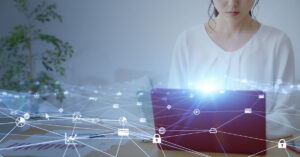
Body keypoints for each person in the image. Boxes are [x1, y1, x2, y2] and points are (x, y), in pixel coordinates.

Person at [168, 0, 296, 139]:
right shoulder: (187, 41)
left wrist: (233, 128)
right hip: (197, 148)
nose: (232, 3)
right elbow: (174, 112)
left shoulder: (277, 42)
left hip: (258, 149)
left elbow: (287, 117)